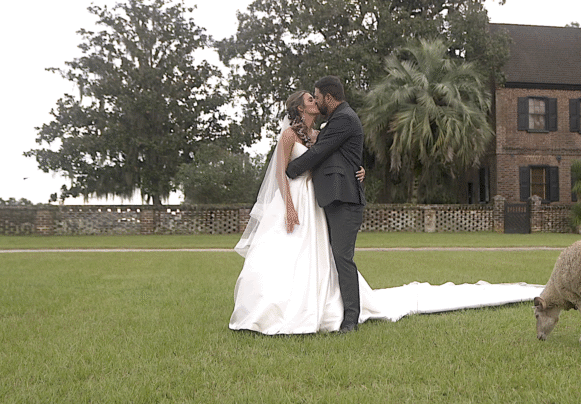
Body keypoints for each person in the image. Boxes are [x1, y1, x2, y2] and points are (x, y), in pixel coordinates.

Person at [230, 86, 543, 336]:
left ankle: (317, 307)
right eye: (310, 99)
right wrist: (288, 206)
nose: (314, 101)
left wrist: (357, 168)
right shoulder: (289, 136)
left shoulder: (316, 135)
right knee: (289, 253)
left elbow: (331, 157)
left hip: (316, 201)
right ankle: (276, 307)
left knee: (317, 256)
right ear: (301, 107)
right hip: (295, 201)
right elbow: (280, 173)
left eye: (316, 96)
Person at [285, 76, 366, 333]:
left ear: (328, 98)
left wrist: (291, 170)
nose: (316, 101)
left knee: (342, 257)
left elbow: (320, 152)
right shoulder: (338, 118)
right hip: (333, 196)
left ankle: (351, 320)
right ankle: (333, 308)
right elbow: (342, 153)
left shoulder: (343, 118)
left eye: (317, 96)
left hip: (345, 199)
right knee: (330, 257)